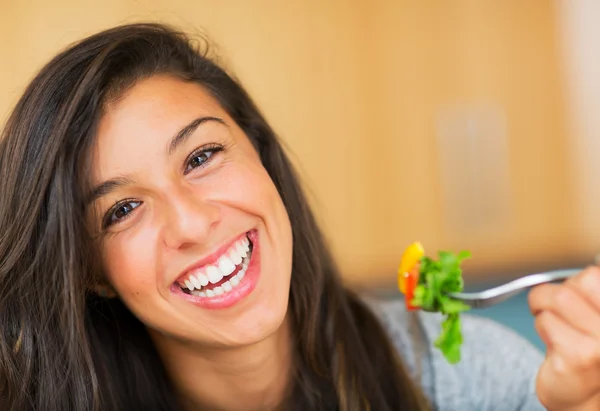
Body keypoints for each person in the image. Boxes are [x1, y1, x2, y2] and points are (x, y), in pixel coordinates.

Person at [0, 22, 574, 411]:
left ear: (261, 154)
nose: (192, 224)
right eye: (122, 210)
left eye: (200, 157)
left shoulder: (469, 377)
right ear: (90, 271)